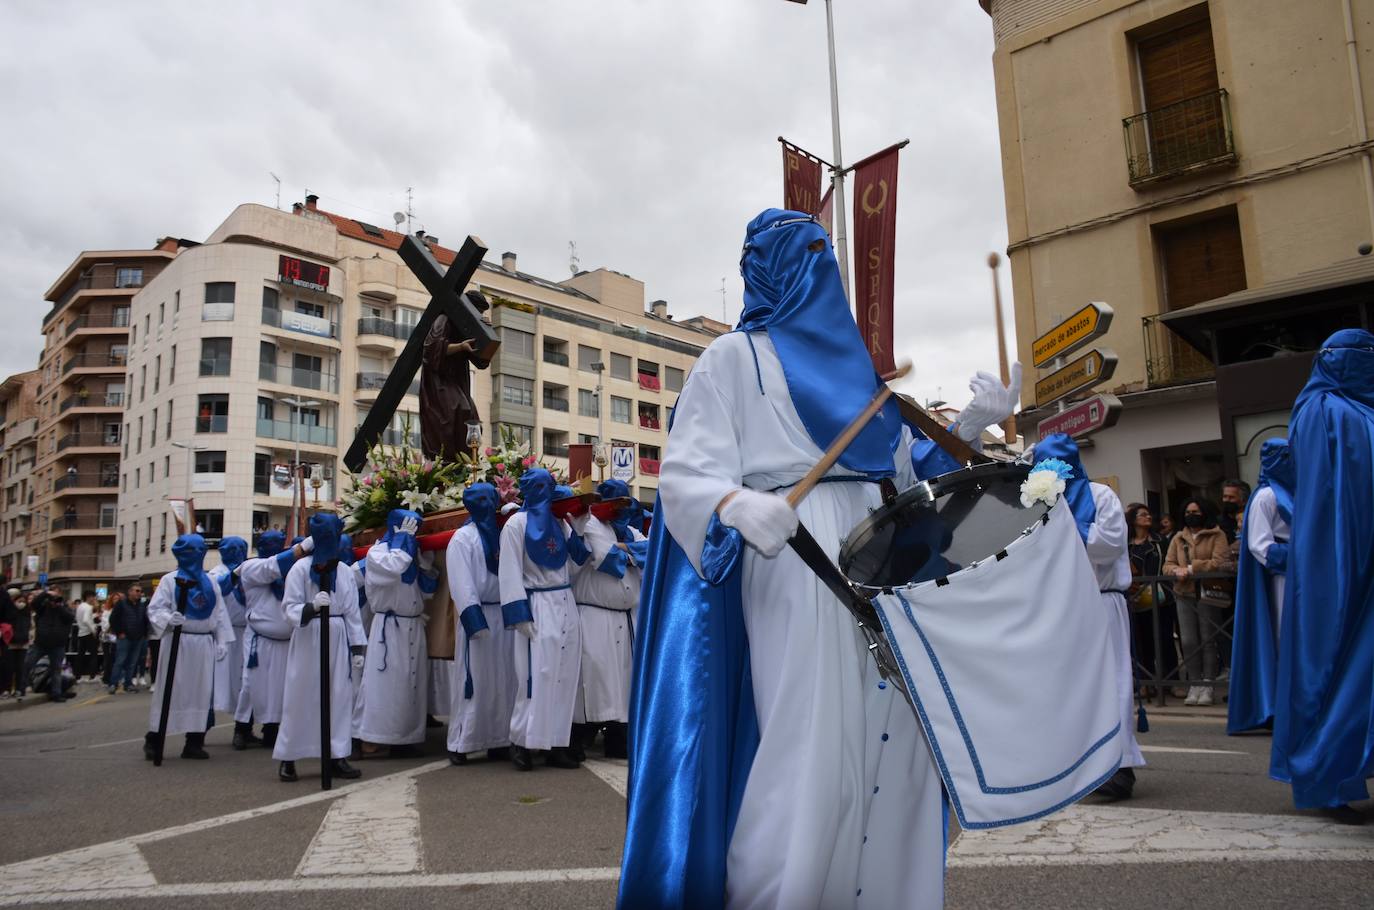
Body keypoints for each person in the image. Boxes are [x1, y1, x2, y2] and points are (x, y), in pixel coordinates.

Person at [620, 210, 1034, 909]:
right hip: (792, 560)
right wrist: (731, 503)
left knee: (893, 741)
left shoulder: (866, 382)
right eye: (802, 253)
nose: (821, 265)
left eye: (825, 252)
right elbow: (686, 472)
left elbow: (908, 478)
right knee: (808, 744)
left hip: (886, 563)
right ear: (766, 269)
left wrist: (964, 429)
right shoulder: (732, 358)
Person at [1272, 329, 1374, 813]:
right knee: (1335, 666)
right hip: (1340, 556)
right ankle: (1327, 773)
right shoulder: (1322, 410)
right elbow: (1335, 492)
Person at [1033, 436, 1144, 800]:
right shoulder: (1036, 503)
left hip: (1101, 601)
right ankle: (1079, 766)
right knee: (1070, 686)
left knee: (1111, 682)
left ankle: (1117, 766)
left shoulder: (1100, 496)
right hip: (1062, 606)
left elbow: (1109, 544)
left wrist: (1062, 518)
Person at [498, 468, 589, 771]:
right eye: (539, 486)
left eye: (549, 485)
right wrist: (518, 613)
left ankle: (556, 743)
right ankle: (522, 740)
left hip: (564, 601)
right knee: (535, 675)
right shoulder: (516, 524)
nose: (545, 490)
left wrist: (578, 529)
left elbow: (577, 564)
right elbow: (509, 571)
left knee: (564, 675)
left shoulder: (559, 523)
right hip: (536, 603)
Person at [273, 513, 364, 783]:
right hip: (309, 636)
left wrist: (357, 647)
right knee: (300, 695)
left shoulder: (345, 571)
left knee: (339, 696)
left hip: (336, 635)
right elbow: (288, 608)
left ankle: (337, 754)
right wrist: (310, 608)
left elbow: (352, 613)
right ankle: (289, 757)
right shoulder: (300, 570)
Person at [569, 478, 650, 760]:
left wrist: (628, 550)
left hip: (626, 617)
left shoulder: (628, 530)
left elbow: (654, 552)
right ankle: (578, 737)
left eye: (625, 501)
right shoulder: (591, 525)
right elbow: (607, 559)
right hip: (595, 613)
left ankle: (617, 739)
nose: (622, 508)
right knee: (594, 677)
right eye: (616, 502)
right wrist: (630, 554)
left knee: (624, 682)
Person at [141, 534, 234, 761]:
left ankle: (194, 742)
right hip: (178, 642)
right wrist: (167, 618)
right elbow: (155, 609)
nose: (197, 556)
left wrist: (221, 640)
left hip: (203, 644)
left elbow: (220, 613)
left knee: (201, 693)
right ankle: (155, 739)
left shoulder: (210, 581)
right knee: (171, 691)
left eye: (200, 551)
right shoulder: (170, 581)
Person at [445, 482, 516, 765]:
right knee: (473, 680)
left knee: (504, 680)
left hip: (503, 615)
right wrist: (474, 620)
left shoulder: (503, 534)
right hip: (480, 617)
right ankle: (462, 741)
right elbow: (461, 583)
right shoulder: (462, 538)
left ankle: (500, 739)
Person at [1228, 438, 1294, 735]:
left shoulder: (1301, 491)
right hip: (1282, 580)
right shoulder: (1266, 497)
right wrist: (1300, 556)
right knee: (1282, 640)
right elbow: (1260, 545)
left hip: (1303, 579)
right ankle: (1278, 707)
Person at [359, 510, 437, 758]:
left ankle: (405, 738)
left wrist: (424, 563)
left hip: (413, 626)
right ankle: (372, 737)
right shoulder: (378, 553)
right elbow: (395, 566)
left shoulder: (409, 553)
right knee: (384, 687)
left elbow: (428, 590)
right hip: (389, 629)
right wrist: (404, 540)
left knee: (411, 685)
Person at [232, 530, 312, 751]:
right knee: (250, 685)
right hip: (260, 638)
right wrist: (304, 547)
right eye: (269, 544)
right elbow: (271, 568)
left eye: (278, 543)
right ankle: (242, 729)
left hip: (287, 638)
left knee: (282, 687)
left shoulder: (291, 570)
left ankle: (272, 730)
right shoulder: (252, 567)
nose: (273, 547)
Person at [1163, 498, 1235, 706]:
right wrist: (1176, 570)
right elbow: (1168, 564)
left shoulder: (1217, 534)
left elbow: (1220, 562)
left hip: (1207, 593)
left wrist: (1193, 569)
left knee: (1207, 639)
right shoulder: (1178, 537)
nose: (1191, 514)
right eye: (1188, 511)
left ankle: (1208, 684)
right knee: (1187, 640)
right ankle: (1194, 682)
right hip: (1183, 593)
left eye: (1195, 511)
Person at [1125, 502, 1177, 699]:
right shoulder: (1126, 543)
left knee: (1164, 639)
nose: (1148, 517)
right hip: (1136, 597)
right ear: (1133, 519)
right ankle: (1146, 682)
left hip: (1160, 596)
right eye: (1142, 514)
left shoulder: (1159, 541)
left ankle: (1171, 682)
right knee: (1142, 642)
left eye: (1148, 514)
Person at [209, 537, 250, 717]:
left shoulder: (248, 571)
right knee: (227, 681)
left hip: (248, 631)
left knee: (245, 681)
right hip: (227, 633)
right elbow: (221, 589)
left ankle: (243, 726)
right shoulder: (215, 574)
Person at [109, 585, 148, 693]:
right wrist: (119, 632)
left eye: (141, 591)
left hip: (138, 637)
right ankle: (113, 683)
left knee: (132, 662)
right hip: (125, 637)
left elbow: (144, 620)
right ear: (130, 592)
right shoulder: (121, 604)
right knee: (120, 661)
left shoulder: (141, 605)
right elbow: (113, 619)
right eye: (137, 591)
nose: (139, 593)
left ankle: (128, 683)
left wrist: (144, 633)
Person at [2, 589, 31, 697]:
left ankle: (19, 689)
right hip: (11, 643)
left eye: (23, 601)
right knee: (9, 668)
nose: (21, 603)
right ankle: (8, 689)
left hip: (22, 643)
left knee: (20, 668)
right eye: (19, 600)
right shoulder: (9, 611)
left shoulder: (26, 611)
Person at [74, 592, 99, 681]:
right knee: (93, 655)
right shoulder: (89, 607)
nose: (94, 599)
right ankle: (92, 676)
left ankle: (77, 675)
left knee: (80, 655)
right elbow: (86, 620)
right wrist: (93, 630)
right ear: (88, 597)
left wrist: (94, 615)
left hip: (81, 632)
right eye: (93, 597)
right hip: (88, 633)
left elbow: (83, 618)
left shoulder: (80, 606)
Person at [100, 593, 122, 690]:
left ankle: (115, 678)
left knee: (116, 659)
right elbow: (105, 625)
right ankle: (107, 678)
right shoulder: (107, 611)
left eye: (118, 599)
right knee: (109, 659)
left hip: (118, 637)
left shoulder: (123, 611)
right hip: (108, 638)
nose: (116, 601)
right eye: (114, 599)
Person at [1220, 479, 1252, 543]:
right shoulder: (1218, 522)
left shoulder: (1252, 519)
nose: (1227, 500)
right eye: (1225, 496)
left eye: (1231, 497)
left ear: (1244, 500)